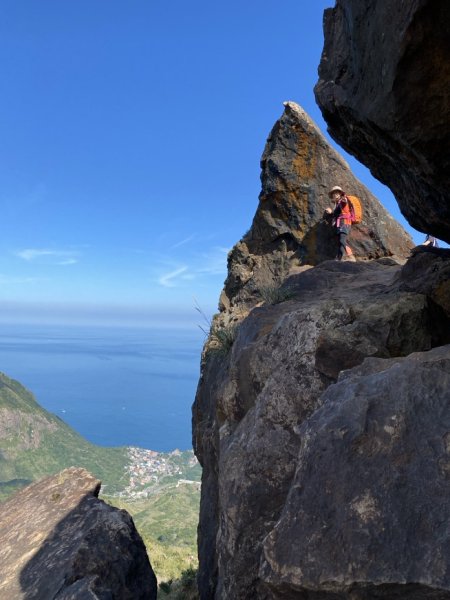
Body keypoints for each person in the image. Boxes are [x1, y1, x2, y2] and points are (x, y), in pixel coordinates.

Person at [325, 186, 356, 261]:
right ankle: (339, 258)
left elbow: (344, 202)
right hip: (341, 223)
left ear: (340, 193)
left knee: (342, 240)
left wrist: (344, 200)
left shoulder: (342, 200)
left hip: (345, 222)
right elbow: (336, 213)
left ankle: (351, 256)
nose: (335, 195)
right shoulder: (337, 203)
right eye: (333, 194)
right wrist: (331, 212)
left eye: (336, 193)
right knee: (340, 241)